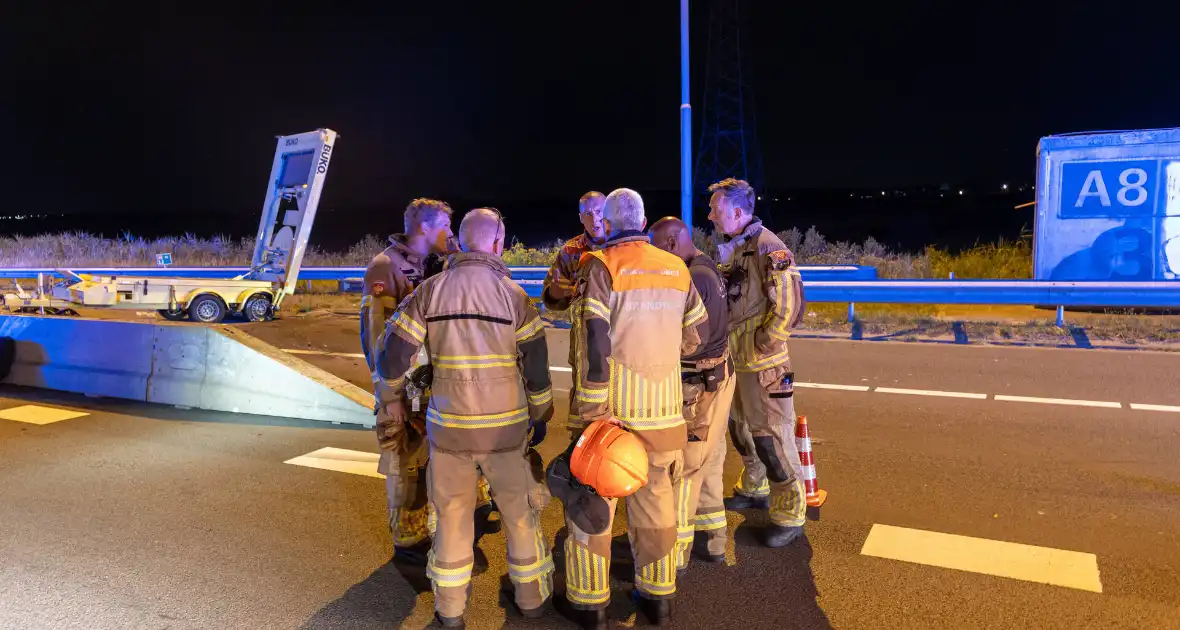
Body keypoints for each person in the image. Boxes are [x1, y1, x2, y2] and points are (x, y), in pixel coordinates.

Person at [375, 208, 555, 627]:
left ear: (462, 240)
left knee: (453, 516)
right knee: (518, 512)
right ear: (496, 243)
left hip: (450, 431)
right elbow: (537, 363)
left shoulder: (430, 291)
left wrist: (399, 391)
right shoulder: (514, 295)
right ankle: (530, 599)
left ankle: (451, 611)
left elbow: (392, 358)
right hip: (506, 431)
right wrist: (541, 411)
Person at [559, 189, 708, 629]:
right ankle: (657, 598)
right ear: (642, 220)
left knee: (592, 506)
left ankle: (591, 605)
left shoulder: (602, 267)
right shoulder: (676, 267)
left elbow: (595, 344)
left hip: (614, 419)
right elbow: (695, 336)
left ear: (607, 223)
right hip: (663, 414)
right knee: (657, 506)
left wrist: (590, 411)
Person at [359, 198, 493, 566]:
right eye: (445, 227)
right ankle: (409, 540)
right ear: (424, 227)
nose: (450, 234)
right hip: (403, 387)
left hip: (434, 383)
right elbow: (378, 340)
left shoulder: (437, 265)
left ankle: (477, 505)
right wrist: (390, 396)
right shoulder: (387, 267)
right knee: (406, 464)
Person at [706, 178, 808, 548]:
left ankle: (790, 513)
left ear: (736, 211)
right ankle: (754, 487)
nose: (710, 215)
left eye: (715, 209)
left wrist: (764, 343)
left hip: (762, 365)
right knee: (740, 430)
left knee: (772, 439)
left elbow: (790, 305)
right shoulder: (734, 247)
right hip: (736, 361)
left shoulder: (769, 247)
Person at [649, 217, 734, 568]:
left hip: (698, 387)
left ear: (670, 244)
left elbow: (691, 343)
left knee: (684, 470)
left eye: (655, 248)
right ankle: (714, 539)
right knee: (709, 463)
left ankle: (676, 556)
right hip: (718, 379)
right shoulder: (705, 264)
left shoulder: (692, 277)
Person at [540, 191, 607, 312]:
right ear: (581, 218)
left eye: (599, 211)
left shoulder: (623, 245)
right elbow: (551, 295)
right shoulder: (569, 251)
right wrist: (554, 295)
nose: (594, 218)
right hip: (585, 328)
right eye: (588, 213)